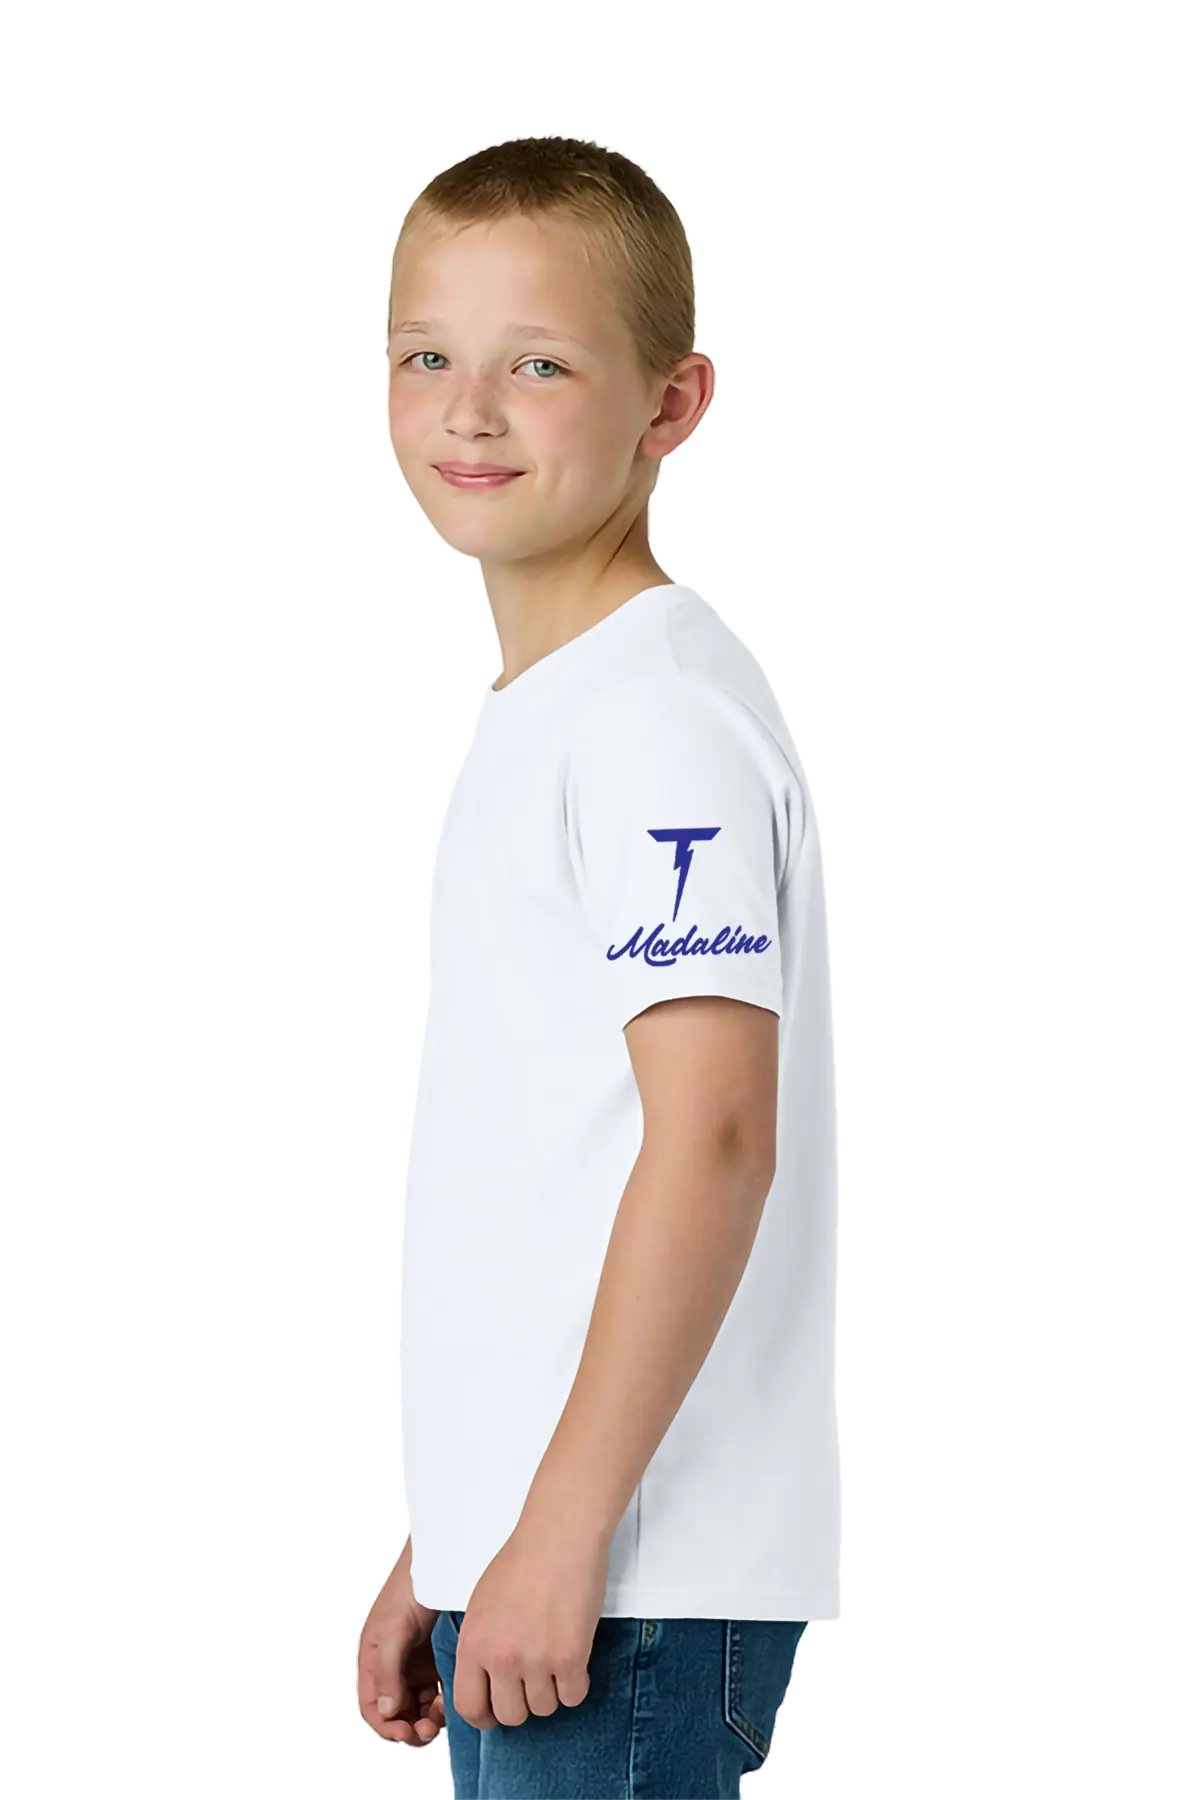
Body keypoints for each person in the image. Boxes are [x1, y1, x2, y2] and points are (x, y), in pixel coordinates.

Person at [356, 133, 841, 1798]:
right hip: (562, 1554)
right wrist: (455, 1527)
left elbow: (712, 1137)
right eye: (430, 354)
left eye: (538, 365)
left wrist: (556, 1530)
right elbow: (551, 1178)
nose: (468, 411)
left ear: (673, 402)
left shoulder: (647, 721)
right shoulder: (562, 710)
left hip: (634, 1576)